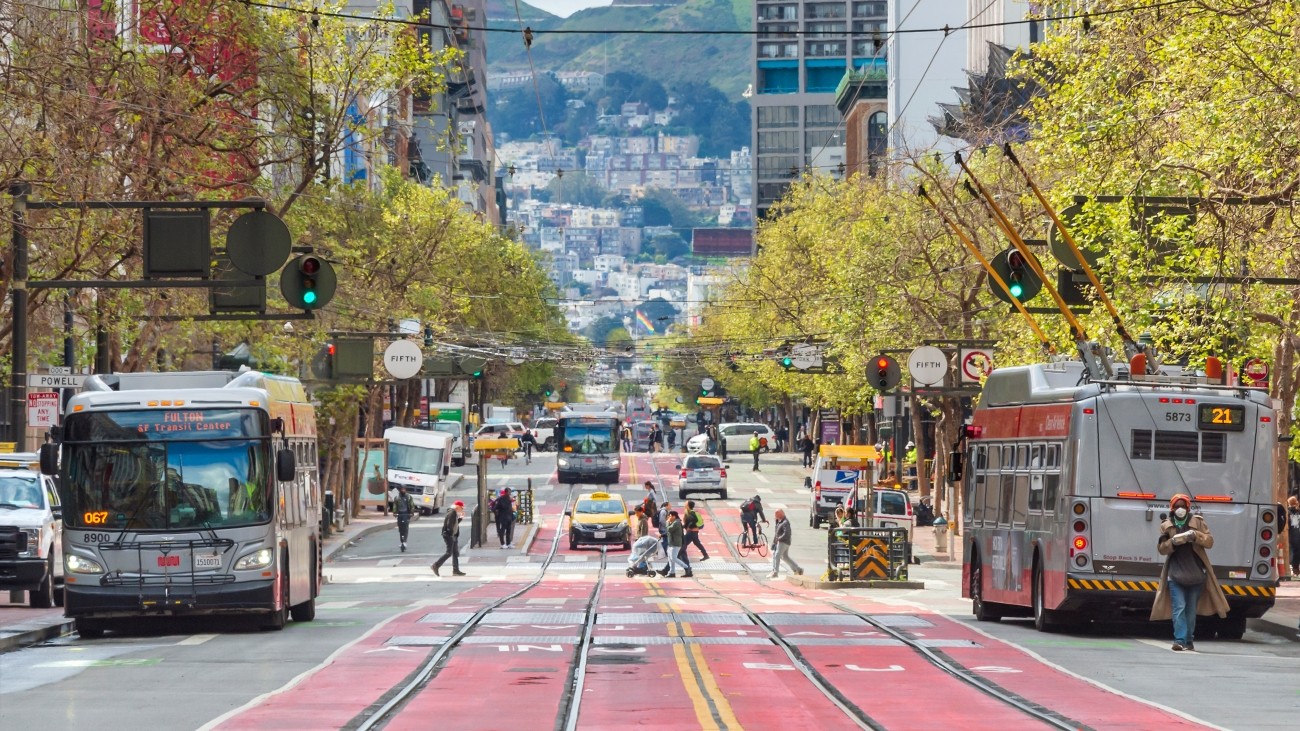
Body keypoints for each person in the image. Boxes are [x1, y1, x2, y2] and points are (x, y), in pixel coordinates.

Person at [1150, 494, 1229, 651]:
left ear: (1188, 508)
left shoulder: (1198, 523)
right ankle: (1179, 640)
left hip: (1196, 575)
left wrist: (1195, 536)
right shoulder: (1167, 525)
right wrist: (1172, 542)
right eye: (1177, 506)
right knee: (1178, 608)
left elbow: (1209, 541)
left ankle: (1188, 639)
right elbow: (1161, 548)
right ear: (1172, 508)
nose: (1180, 509)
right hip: (1175, 575)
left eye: (1183, 506)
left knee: (1190, 610)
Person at [432, 500, 467, 576]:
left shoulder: (453, 512)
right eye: (461, 507)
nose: (462, 509)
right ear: (457, 507)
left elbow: (454, 523)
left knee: (455, 553)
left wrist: (460, 518)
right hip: (449, 535)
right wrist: (451, 534)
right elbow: (449, 525)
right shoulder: (452, 513)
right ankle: (436, 565)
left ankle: (456, 570)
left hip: (452, 535)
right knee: (449, 553)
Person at [769, 508, 803, 578]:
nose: (775, 516)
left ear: (780, 515)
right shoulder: (780, 521)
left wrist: (779, 539)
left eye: (776, 515)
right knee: (785, 557)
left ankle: (775, 572)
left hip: (783, 542)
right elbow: (776, 533)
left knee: (777, 555)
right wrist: (774, 542)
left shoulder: (785, 522)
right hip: (783, 542)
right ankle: (798, 569)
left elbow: (787, 533)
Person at [658, 510, 692, 578]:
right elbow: (669, 533)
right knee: (670, 559)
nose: (669, 517)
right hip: (671, 543)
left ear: (674, 516)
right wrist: (663, 535)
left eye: (670, 516)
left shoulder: (676, 522)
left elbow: (669, 529)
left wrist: (667, 522)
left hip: (676, 543)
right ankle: (672, 572)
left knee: (674, 558)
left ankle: (687, 567)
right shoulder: (673, 522)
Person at [393, 485, 415, 552]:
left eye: (404, 489)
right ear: (399, 490)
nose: (403, 490)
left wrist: (411, 512)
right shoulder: (397, 497)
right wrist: (394, 513)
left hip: (406, 514)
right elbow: (395, 506)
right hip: (400, 514)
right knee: (400, 529)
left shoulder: (409, 497)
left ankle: (405, 541)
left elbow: (412, 505)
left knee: (405, 528)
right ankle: (401, 541)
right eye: (402, 489)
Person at [1287, 495, 1300, 579]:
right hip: (1297, 533)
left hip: (1292, 534)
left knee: (1293, 551)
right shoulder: (1297, 511)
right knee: (1296, 551)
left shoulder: (1288, 512)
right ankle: (1296, 568)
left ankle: (1295, 568)